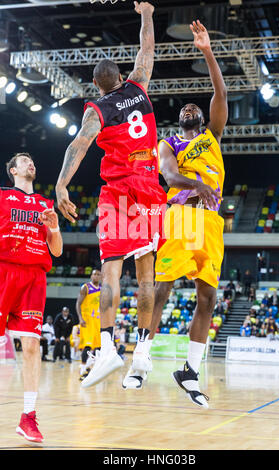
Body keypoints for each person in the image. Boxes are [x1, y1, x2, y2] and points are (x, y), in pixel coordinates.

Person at [55, 2, 167, 390]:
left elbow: (80, 145)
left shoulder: (97, 109)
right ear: (121, 76)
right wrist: (147, 15)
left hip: (120, 192)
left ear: (96, 85)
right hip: (151, 192)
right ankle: (142, 351)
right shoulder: (139, 86)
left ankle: (107, 347)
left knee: (112, 272)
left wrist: (61, 184)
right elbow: (147, 49)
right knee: (147, 275)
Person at [148, 20, 227, 407]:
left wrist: (207, 51)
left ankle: (190, 371)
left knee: (208, 298)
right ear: (180, 120)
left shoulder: (212, 136)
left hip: (211, 222)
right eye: (185, 107)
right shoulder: (171, 142)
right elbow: (170, 176)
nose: (191, 108)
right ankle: (141, 359)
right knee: (164, 287)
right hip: (183, 216)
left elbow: (220, 91)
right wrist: (198, 185)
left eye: (195, 107)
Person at [0, 152, 63, 443]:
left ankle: (28, 417)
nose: (31, 164)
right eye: (24, 161)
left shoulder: (45, 204)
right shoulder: (2, 196)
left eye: (32, 161)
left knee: (31, 348)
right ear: (13, 170)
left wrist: (53, 226)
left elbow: (58, 250)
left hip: (34, 277)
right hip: (4, 269)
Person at [76, 269, 102, 380]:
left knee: (98, 347)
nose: (96, 276)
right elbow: (78, 303)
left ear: (100, 277)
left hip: (97, 320)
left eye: (98, 274)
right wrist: (80, 318)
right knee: (87, 346)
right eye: (94, 274)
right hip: (86, 320)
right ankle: (82, 368)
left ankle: (89, 368)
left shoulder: (102, 289)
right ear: (91, 276)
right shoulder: (85, 287)